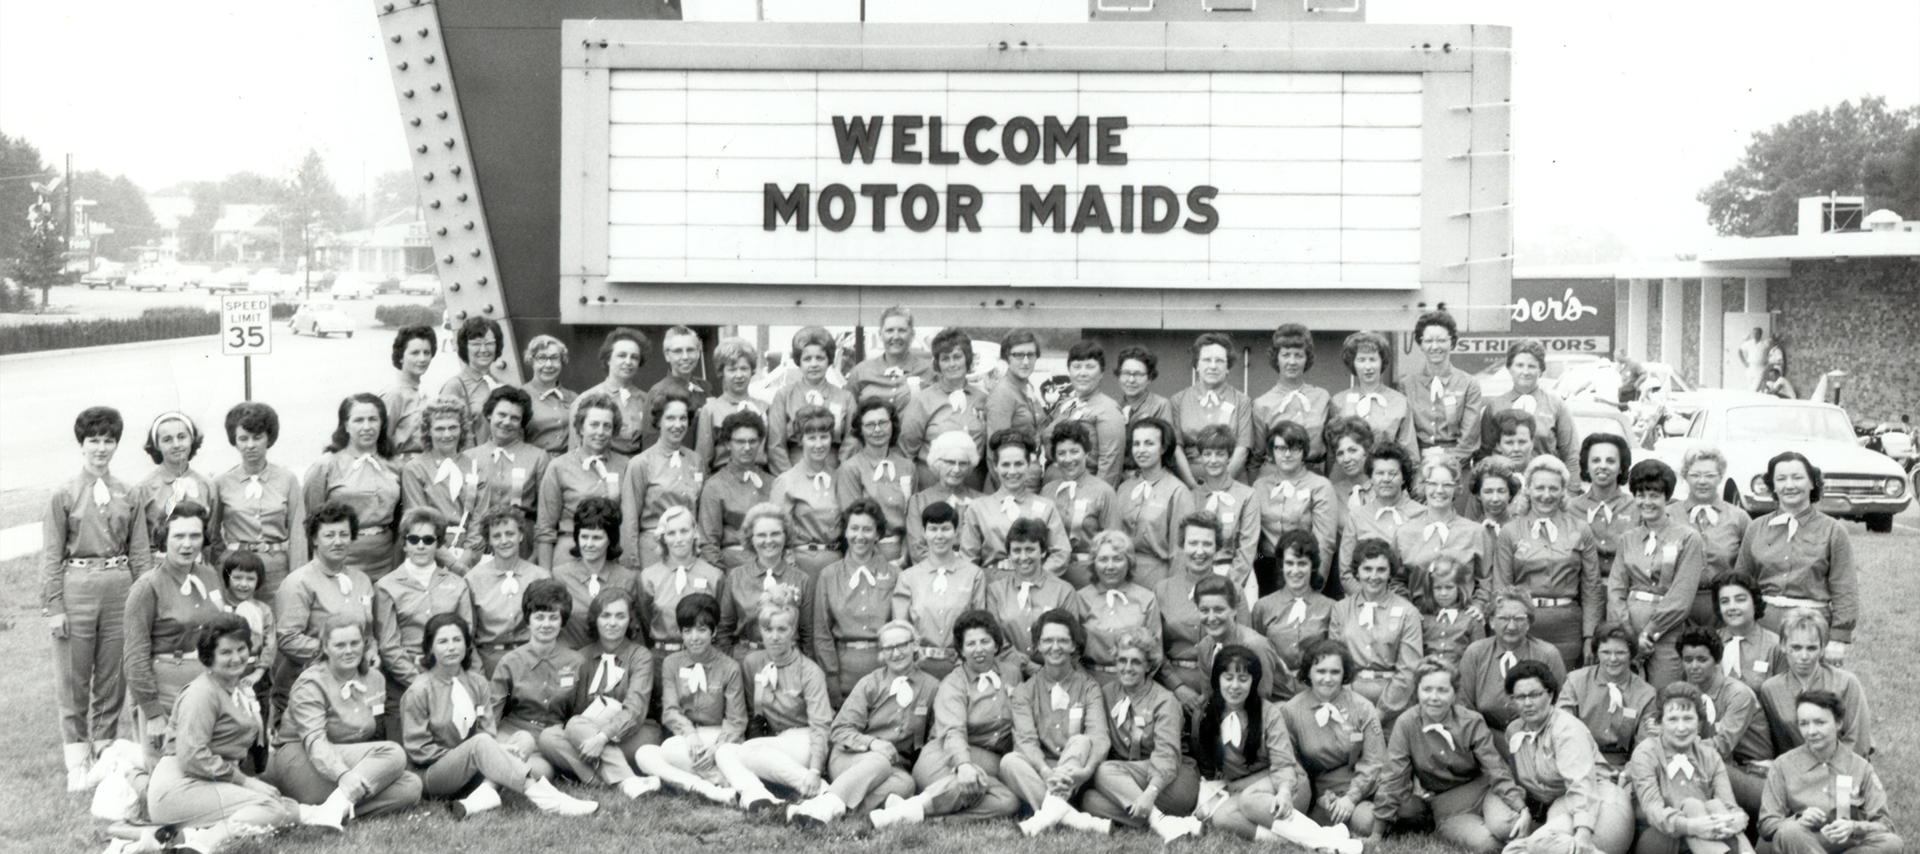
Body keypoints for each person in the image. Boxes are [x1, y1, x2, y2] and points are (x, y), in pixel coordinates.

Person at [146, 616, 324, 852]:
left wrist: (250, 782)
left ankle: (181, 834)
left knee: (281, 805)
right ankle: (202, 845)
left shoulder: (235, 688)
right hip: (179, 786)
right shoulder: (202, 694)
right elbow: (192, 757)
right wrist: (246, 782)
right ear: (209, 657)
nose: (237, 658)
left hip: (206, 780)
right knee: (271, 809)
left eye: (241, 649)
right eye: (226, 652)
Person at [401, 613, 600, 817]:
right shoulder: (419, 691)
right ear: (430, 648)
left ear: (467, 644)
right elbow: (418, 750)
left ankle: (485, 792)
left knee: (523, 738)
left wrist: (496, 751)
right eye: (442, 641)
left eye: (457, 640)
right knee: (481, 744)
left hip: (475, 770)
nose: (451, 647)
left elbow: (486, 731)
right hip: (434, 775)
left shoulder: (477, 683)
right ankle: (550, 800)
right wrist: (468, 755)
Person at [869, 610, 1022, 827]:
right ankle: (907, 810)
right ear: (960, 650)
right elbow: (953, 731)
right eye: (970, 644)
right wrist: (963, 765)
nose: (978, 649)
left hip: (988, 763)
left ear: (996, 645)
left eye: (985, 641)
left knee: (1009, 802)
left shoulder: (1011, 674)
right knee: (967, 783)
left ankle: (918, 814)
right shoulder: (953, 683)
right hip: (943, 759)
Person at [263, 615, 424, 821]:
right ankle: (336, 805)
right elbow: (314, 742)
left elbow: (372, 734)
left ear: (364, 645)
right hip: (300, 760)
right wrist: (343, 775)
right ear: (326, 648)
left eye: (355, 643)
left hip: (346, 761)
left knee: (410, 787)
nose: (349, 651)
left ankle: (329, 810)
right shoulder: (311, 682)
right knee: (392, 752)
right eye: (340, 645)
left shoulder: (375, 679)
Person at [789, 619, 940, 826]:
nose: (896, 654)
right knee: (879, 761)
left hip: (894, 767)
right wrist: (872, 743)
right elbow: (840, 729)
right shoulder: (870, 684)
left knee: (907, 785)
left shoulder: (931, 687)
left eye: (902, 645)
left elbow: (934, 736)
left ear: (914, 645)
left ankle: (830, 804)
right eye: (888, 648)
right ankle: (826, 808)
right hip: (851, 757)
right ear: (881, 652)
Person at [1375, 657, 1528, 854]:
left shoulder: (1471, 721)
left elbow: (1495, 768)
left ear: (1454, 693)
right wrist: (1377, 834)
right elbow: (1393, 777)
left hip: (1482, 791)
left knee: (1507, 827)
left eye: (1442, 690)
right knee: (1486, 845)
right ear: (1417, 692)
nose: (1434, 697)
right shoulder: (1406, 724)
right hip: (1447, 807)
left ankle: (1536, 840)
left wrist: (1520, 806)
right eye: (1427, 689)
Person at [1500, 659, 1636, 854]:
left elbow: (1581, 783)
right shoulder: (1514, 731)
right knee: (1514, 851)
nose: (1528, 703)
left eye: (1535, 694)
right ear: (1512, 700)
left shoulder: (1565, 728)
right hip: (1564, 806)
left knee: (1539, 843)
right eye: (1520, 697)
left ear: (1550, 694)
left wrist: (1583, 833)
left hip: (1602, 802)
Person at [1083, 626, 1205, 841]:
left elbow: (1167, 755)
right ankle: (1165, 821)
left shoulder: (1165, 700)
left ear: (1149, 665)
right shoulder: (1107, 694)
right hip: (1128, 780)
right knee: (1089, 801)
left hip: (1171, 779)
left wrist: (1151, 792)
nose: (1127, 668)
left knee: (1105, 772)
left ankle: (1153, 815)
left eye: (1136, 662)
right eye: (1122, 660)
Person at [1735, 452, 1858, 665]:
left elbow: (1845, 588)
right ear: (1772, 485)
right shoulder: (1756, 528)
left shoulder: (1833, 530)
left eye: (1797, 477)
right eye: (1781, 479)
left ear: (1812, 482)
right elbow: (1739, 583)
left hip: (1811, 627)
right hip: (1764, 625)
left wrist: (1838, 637)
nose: (1789, 485)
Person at [997, 609, 1112, 837]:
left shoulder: (1089, 687)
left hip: (1076, 774)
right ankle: (1073, 818)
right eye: (1048, 640)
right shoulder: (1025, 691)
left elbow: (1099, 735)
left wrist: (1086, 771)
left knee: (1080, 740)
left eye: (1062, 640)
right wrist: (1045, 771)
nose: (1055, 647)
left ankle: (1046, 815)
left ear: (1073, 646)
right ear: (1038, 646)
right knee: (1009, 761)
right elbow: (1026, 740)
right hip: (1041, 774)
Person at [123, 502, 228, 750]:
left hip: (211, 686)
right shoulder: (147, 587)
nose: (187, 544)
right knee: (167, 770)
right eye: (179, 536)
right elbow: (135, 656)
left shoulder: (210, 575)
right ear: (163, 538)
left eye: (195, 536)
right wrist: (153, 713)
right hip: (168, 690)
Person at [723, 588, 835, 812]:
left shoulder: (809, 671)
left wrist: (814, 769)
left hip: (805, 740)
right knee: (725, 751)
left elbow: (820, 725)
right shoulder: (752, 662)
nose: (774, 637)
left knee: (747, 753)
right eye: (768, 629)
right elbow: (750, 712)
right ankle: (760, 796)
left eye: (782, 629)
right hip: (772, 743)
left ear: (793, 630)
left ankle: (817, 786)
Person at [630, 593, 749, 805]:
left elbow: (736, 720)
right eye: (688, 631)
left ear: (713, 632)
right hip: (687, 739)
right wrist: (690, 734)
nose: (694, 637)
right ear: (681, 633)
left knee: (677, 751)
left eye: (702, 630)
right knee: (646, 754)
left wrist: (715, 749)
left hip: (720, 738)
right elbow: (670, 710)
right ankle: (710, 784)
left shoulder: (729, 667)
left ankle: (707, 777)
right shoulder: (671, 663)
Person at [1757, 691, 1903, 854]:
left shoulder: (1860, 767)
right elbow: (1766, 823)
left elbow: (1885, 825)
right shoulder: (1782, 765)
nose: (1811, 731)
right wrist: (1799, 820)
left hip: (1847, 846)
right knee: (1789, 831)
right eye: (1804, 723)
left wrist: (1854, 827)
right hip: (1800, 845)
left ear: (1838, 723)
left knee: (1892, 843)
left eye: (1820, 722)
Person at [548, 587, 663, 795]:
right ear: (595, 620)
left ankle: (615, 778)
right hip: (588, 733)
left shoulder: (640, 656)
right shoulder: (582, 657)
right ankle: (616, 781)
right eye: (605, 616)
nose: (612, 623)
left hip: (635, 733)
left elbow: (635, 710)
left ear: (630, 620)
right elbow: (576, 711)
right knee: (549, 737)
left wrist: (601, 738)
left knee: (575, 727)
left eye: (620, 616)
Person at [1493, 455, 1602, 671]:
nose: (1546, 495)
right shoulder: (1511, 531)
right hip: (1523, 624)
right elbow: (1502, 588)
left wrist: (1590, 636)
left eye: (1553, 488)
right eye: (1539, 488)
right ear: (1529, 490)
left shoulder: (1579, 529)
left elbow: (1592, 587)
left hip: (1567, 627)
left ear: (1563, 491)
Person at [374, 507, 475, 738]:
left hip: (449, 676)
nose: (421, 545)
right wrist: (420, 681)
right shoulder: (386, 586)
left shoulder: (457, 584)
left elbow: (466, 635)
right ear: (404, 543)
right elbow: (388, 647)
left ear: (438, 544)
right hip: (404, 682)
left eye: (428, 539)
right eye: (414, 539)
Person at [1607, 459, 1705, 688]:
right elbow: (1616, 589)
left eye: (1654, 495)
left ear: (1667, 498)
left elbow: (1681, 596)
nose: (1647, 502)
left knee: (1664, 691)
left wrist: (1650, 633)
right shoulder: (1627, 539)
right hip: (1628, 630)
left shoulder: (1688, 538)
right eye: (1641, 495)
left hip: (1666, 633)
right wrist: (1630, 635)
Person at [1274, 637, 1386, 838]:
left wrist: (1352, 798)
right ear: (1309, 672)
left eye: (1335, 672)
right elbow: (1290, 761)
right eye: (1321, 671)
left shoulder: (1362, 707)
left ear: (1344, 674)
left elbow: (1374, 760)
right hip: (1324, 789)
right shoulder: (1291, 711)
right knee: (1364, 821)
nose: (1328, 678)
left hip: (1365, 785)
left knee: (1371, 820)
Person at [1625, 682, 1753, 854]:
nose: (1681, 728)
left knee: (1716, 805)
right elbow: (1654, 812)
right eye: (1672, 719)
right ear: (1660, 723)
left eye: (1688, 718)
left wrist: (1736, 820)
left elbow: (1730, 805)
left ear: (1699, 722)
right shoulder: (1646, 753)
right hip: (1660, 838)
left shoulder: (1709, 755)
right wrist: (1691, 826)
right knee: (1692, 805)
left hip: (1707, 834)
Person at [275, 502, 377, 718]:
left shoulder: (362, 580)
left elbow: (367, 633)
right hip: (309, 683)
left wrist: (371, 650)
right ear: (314, 539)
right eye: (329, 535)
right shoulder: (299, 582)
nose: (338, 541)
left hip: (354, 682)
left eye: (344, 534)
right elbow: (288, 638)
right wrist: (336, 655)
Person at [487, 579, 585, 782]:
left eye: (553, 618)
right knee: (505, 754)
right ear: (528, 620)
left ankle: (499, 778)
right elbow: (492, 714)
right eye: (539, 617)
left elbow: (579, 715)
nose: (546, 624)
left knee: (541, 772)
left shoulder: (577, 662)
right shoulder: (510, 661)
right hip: (513, 733)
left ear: (562, 621)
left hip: (550, 739)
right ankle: (497, 777)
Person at [211, 402, 307, 603]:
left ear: (268, 438)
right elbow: (212, 534)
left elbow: (298, 534)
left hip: (276, 570)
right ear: (234, 441)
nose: (250, 445)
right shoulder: (221, 483)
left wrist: (297, 577)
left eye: (257, 437)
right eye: (243, 438)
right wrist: (224, 559)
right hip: (235, 570)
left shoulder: (287, 480)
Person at [1674, 627, 1773, 814]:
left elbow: (1722, 746)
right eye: (1688, 660)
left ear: (1717, 661)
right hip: (1720, 766)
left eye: (1702, 660)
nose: (1694, 666)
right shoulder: (1688, 691)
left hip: (1753, 772)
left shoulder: (1738, 694)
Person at [304, 394, 404, 581]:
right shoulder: (326, 466)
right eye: (358, 420)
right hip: (341, 556)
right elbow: (310, 520)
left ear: (382, 424)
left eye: (373, 419)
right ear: (346, 425)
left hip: (386, 558)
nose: (367, 427)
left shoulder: (396, 464)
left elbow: (401, 516)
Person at [814, 500, 900, 702]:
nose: (860, 536)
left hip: (884, 668)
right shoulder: (828, 575)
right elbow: (821, 633)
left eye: (867, 530)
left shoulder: (895, 575)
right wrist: (831, 677)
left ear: (878, 534)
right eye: (854, 528)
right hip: (842, 672)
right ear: (845, 532)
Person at [891, 502, 986, 680]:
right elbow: (900, 627)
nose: (939, 536)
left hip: (961, 667)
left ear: (956, 532)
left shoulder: (973, 575)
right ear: (924, 532)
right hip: (919, 668)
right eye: (933, 529)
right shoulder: (909, 577)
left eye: (945, 529)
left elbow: (979, 624)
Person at [1330, 539, 1422, 721]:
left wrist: (1381, 712)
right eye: (1367, 569)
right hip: (1349, 700)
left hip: (1394, 704)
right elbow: (1335, 661)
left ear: (1390, 572)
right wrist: (1351, 707)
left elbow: (1409, 669)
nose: (1374, 576)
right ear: (1357, 572)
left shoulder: (1408, 612)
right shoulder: (1341, 609)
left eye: (1381, 569)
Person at [1758, 610, 1871, 758]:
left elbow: (1857, 741)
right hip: (1798, 770)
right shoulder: (1771, 689)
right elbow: (1779, 744)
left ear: (1823, 649)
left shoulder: (1846, 683)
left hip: (1845, 767)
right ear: (1783, 646)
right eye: (1796, 648)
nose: (1804, 656)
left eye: (1811, 648)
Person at [534, 391, 627, 569]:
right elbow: (545, 528)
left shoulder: (625, 465)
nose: (600, 432)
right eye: (594, 425)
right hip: (570, 553)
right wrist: (545, 574)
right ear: (581, 427)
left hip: (612, 555)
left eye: (607, 426)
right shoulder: (559, 467)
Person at [963, 430, 1072, 576]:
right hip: (992, 583)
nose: (1012, 471)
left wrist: (1036, 577)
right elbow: (968, 559)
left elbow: (1061, 552)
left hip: (1035, 583)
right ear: (996, 466)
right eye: (1006, 465)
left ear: (1028, 465)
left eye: (1019, 464)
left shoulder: (1046, 507)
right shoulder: (978, 507)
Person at [1456, 591, 1567, 734]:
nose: (1511, 626)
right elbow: (1464, 707)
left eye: (1519, 619)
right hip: (1486, 739)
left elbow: (1560, 707)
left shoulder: (1548, 654)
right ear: (1491, 621)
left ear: (1529, 623)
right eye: (1503, 618)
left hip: (1536, 737)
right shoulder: (1475, 653)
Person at [983, 518, 1087, 668]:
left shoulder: (1063, 591)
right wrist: (1026, 667)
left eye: (1030, 549)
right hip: (1008, 672)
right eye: (1017, 550)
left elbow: (1071, 640)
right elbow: (995, 638)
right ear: (1009, 554)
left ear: (1043, 551)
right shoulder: (995, 591)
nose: (1023, 557)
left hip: (1053, 673)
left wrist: (1044, 673)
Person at [1398, 454, 1492, 617]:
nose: (1439, 490)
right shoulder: (1404, 533)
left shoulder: (1475, 532)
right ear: (1423, 486)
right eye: (1433, 484)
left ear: (1456, 487)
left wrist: (1479, 606)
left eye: (1446, 485)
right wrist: (1408, 612)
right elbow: (1396, 582)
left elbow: (1486, 580)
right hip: (1417, 623)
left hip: (1462, 626)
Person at [1557, 623, 1656, 777]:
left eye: (1620, 653)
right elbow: (1561, 728)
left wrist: (1626, 774)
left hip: (1622, 769)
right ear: (1596, 653)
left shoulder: (1645, 694)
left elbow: (1644, 746)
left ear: (1631, 654)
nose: (1613, 659)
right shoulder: (1576, 681)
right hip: (1580, 761)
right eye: (1606, 652)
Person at [720, 502, 816, 659]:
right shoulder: (736, 577)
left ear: (786, 536)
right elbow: (724, 630)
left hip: (789, 660)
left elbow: (808, 635)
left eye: (775, 534)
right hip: (745, 659)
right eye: (761, 535)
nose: (769, 540)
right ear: (751, 539)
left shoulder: (801, 579)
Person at [622, 392, 706, 570]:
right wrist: (632, 561)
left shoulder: (696, 460)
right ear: (658, 421)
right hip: (653, 551)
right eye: (670, 418)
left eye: (683, 418)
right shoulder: (641, 463)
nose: (677, 425)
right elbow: (629, 518)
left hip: (687, 551)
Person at [130, 412, 219, 576]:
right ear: (156, 445)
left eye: (181, 437)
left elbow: (211, 541)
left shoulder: (207, 486)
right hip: (159, 571)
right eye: (167, 439)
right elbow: (140, 548)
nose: (176, 444)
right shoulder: (143, 489)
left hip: (198, 570)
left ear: (192, 439)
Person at [899, 328, 990, 488]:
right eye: (945, 359)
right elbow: (906, 452)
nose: (952, 364)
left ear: (967, 360)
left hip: (972, 487)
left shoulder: (982, 400)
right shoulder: (923, 400)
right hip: (931, 486)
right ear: (937, 364)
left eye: (957, 357)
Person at [464, 508, 550, 676]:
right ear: (489, 540)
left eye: (510, 534)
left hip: (532, 660)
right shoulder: (473, 579)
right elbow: (467, 633)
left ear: (521, 535)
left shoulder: (540, 576)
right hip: (489, 662)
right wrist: (478, 673)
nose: (504, 541)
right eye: (496, 536)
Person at [467, 386, 550, 559]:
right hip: (478, 542)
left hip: (521, 541)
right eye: (502, 415)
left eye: (514, 418)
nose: (506, 422)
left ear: (521, 423)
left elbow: (545, 513)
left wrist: (536, 553)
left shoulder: (538, 457)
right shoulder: (468, 457)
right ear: (489, 414)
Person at [548, 499, 642, 650]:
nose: (589, 544)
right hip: (571, 662)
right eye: (584, 537)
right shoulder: (559, 576)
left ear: (610, 539)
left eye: (597, 538)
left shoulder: (628, 579)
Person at [399, 396, 481, 569]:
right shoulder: (415, 469)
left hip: (470, 556)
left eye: (453, 428)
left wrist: (466, 561)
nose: (447, 435)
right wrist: (452, 564)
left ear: (462, 429)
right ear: (428, 431)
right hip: (429, 551)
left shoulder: (475, 466)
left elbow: (479, 521)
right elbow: (418, 522)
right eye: (439, 429)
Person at [835, 398, 918, 566]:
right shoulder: (851, 468)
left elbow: (913, 515)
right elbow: (853, 521)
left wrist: (905, 554)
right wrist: (878, 562)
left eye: (883, 423)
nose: (878, 429)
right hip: (866, 553)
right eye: (870, 425)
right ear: (861, 430)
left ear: (892, 425)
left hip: (905, 553)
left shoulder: (907, 467)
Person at [1674, 448, 1753, 622]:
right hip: (1677, 605)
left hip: (1723, 607)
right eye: (1695, 475)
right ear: (1685, 476)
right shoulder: (1668, 516)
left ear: (1720, 476)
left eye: (1710, 475)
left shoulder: (1738, 518)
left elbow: (1749, 567)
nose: (1702, 481)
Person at [1479, 339, 1579, 474]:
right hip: (1504, 486)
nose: (1525, 372)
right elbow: (1485, 454)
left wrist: (1571, 492)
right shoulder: (1494, 407)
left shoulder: (1556, 406)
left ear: (1541, 370)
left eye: (1531, 366)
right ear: (1509, 368)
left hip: (1544, 486)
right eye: (1519, 365)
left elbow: (1571, 457)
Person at [767, 327, 857, 476]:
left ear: (829, 360)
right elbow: (776, 446)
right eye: (807, 359)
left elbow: (851, 443)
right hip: (794, 473)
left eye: (820, 358)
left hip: (834, 473)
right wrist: (791, 480)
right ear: (798, 361)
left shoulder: (845, 398)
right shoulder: (783, 396)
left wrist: (840, 478)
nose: (814, 364)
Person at [1117, 417, 1195, 588]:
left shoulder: (1177, 491)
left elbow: (1180, 551)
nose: (1141, 450)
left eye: (1149, 443)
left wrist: (1172, 590)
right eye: (1136, 444)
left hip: (1158, 579)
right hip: (1122, 576)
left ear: (1163, 448)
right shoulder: (1124, 489)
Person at [1252, 529, 1338, 685]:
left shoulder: (1330, 607)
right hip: (1275, 690)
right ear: (1281, 565)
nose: (1295, 571)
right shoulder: (1263, 607)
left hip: (1315, 688)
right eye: (1289, 563)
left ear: (1313, 566)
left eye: (1302, 564)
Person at [1168, 332, 1255, 485]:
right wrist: (1192, 486)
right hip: (1189, 481)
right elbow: (1176, 449)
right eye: (1207, 360)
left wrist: (1220, 485)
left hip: (1231, 481)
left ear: (1228, 367)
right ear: (1197, 364)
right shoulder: (1178, 401)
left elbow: (1242, 450)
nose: (1213, 366)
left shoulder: (1242, 401)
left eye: (1220, 361)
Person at [769, 404, 845, 579]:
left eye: (824, 437)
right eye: (811, 438)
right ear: (800, 440)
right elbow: (777, 529)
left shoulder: (838, 477)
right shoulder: (787, 481)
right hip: (802, 565)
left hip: (837, 563)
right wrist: (791, 571)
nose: (819, 445)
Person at [1076, 530, 1161, 686]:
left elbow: (1156, 654)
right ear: (1093, 564)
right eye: (1103, 560)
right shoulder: (1081, 598)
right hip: (1090, 683)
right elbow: (1072, 654)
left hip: (1134, 683)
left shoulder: (1146, 599)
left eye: (1117, 559)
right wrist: (1088, 688)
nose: (1110, 566)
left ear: (1128, 562)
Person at [1341, 442, 1428, 592]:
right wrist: (1369, 600)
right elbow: (1346, 573)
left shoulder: (1423, 514)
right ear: (1371, 478)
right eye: (1380, 473)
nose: (1386, 479)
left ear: (1403, 478)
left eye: (1392, 473)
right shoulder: (1357, 517)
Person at [1045, 420, 1120, 588]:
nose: (1068, 459)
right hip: (1052, 575)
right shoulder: (1047, 491)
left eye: (1074, 451)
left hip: (1089, 575)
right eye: (1062, 453)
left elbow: (1114, 543)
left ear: (1086, 453)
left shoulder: (1103, 492)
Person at [1252, 323, 1334, 474]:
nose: (1292, 362)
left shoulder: (1322, 398)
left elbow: (1331, 452)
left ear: (1306, 359)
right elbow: (1256, 458)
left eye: (1299, 355)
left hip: (1313, 477)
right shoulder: (1262, 404)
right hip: (1274, 478)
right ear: (1276, 359)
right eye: (1286, 355)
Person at [1194, 574, 1290, 702]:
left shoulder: (1254, 645)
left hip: (1275, 708)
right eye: (1204, 610)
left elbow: (1260, 702)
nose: (1211, 618)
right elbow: (1210, 697)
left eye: (1219, 610)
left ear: (1234, 610)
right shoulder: (1204, 647)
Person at [1191, 424, 1261, 597]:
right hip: (1199, 575)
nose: (1213, 460)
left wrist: (1227, 585)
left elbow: (1247, 549)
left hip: (1238, 576)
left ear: (1229, 457)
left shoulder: (1247, 495)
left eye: (1220, 454)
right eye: (1207, 454)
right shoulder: (1191, 496)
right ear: (1200, 457)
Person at [1407, 310, 1485, 465]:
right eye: (1428, 341)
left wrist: (1445, 468)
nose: (1435, 347)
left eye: (1441, 340)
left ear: (1452, 342)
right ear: (1420, 344)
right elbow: (1407, 438)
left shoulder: (1469, 385)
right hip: (1419, 466)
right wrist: (1419, 468)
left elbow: (1469, 439)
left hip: (1457, 466)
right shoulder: (1407, 385)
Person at [697, 410, 772, 570]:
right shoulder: (715, 486)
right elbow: (708, 545)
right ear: (727, 444)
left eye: (753, 441)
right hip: (732, 568)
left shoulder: (772, 482)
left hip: (769, 566)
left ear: (760, 443)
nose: (747, 447)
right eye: (740, 441)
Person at [1330, 331, 1418, 464]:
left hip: (1385, 475)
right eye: (1361, 360)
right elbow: (1332, 453)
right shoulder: (1338, 401)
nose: (1368, 367)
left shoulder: (1399, 401)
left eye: (1373, 359)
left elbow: (1409, 454)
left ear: (1382, 361)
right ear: (1353, 363)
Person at [1050, 338, 1128, 488]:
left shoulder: (1108, 409)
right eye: (1077, 366)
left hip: (1084, 491)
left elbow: (1110, 464)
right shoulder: (1065, 405)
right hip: (1053, 486)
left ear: (1102, 373)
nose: (1082, 373)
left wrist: (1094, 499)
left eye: (1090, 367)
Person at [904, 431, 984, 565]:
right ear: (937, 463)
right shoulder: (918, 501)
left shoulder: (980, 501)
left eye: (963, 463)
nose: (957, 470)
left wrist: (963, 570)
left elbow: (983, 549)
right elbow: (917, 550)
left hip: (971, 573)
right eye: (950, 462)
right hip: (929, 574)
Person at [694, 336, 768, 474]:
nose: (739, 375)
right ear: (721, 373)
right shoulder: (711, 410)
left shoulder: (764, 407)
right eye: (732, 369)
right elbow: (703, 460)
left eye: (744, 368)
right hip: (724, 480)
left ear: (752, 371)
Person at [985, 329, 1049, 488]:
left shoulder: (1027, 387)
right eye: (1018, 355)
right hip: (1009, 483)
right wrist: (1007, 495)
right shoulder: (1003, 394)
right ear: (1007, 357)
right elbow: (994, 450)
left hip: (1029, 476)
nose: (1026, 362)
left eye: (1031, 355)